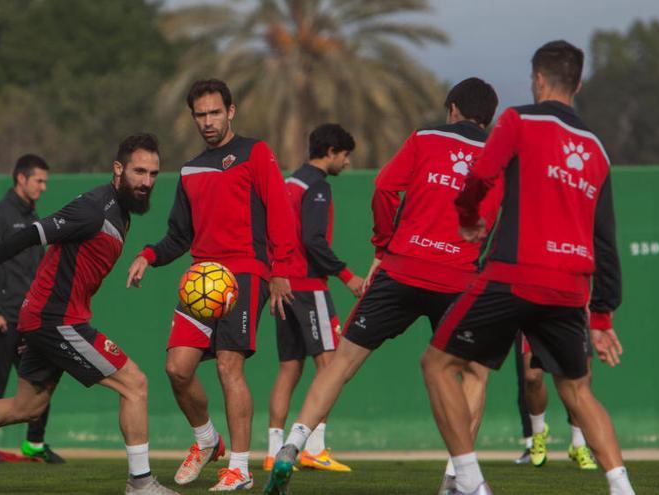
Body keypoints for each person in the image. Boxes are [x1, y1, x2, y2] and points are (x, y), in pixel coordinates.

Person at [265, 78, 501, 495]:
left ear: (452, 109)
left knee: (340, 363)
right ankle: (458, 476)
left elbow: (384, 188)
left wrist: (383, 243)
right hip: (458, 276)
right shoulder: (498, 157)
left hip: (402, 267)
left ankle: (292, 445)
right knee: (474, 374)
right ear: (489, 119)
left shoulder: (426, 137)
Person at [0, 134, 180, 495]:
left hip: (45, 317)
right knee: (136, 385)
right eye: (139, 172)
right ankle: (141, 483)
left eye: (153, 174)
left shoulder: (121, 212)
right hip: (57, 320)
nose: (146, 182)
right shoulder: (93, 208)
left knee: (27, 406)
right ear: (118, 169)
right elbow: (29, 235)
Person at [418, 40, 632, 495]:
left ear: (538, 79)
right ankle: (621, 486)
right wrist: (603, 315)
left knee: (437, 364)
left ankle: (469, 482)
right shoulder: (596, 149)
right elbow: (605, 241)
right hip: (571, 289)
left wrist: (470, 217)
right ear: (578, 83)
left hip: (514, 275)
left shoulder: (517, 120)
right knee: (577, 391)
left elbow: (479, 176)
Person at [127, 79, 296, 491]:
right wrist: (148, 255)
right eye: (200, 115)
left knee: (227, 365)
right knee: (176, 369)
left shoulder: (255, 152)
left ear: (231, 111)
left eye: (214, 112)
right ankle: (206, 440)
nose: (207, 121)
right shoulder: (189, 170)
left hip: (244, 273)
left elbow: (279, 209)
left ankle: (239, 468)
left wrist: (281, 269)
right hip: (201, 278)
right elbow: (178, 236)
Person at [264, 124, 364, 473]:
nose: (347, 163)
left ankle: (273, 450)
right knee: (332, 367)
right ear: (332, 151)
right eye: (345, 155)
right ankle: (313, 447)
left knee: (289, 367)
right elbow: (314, 240)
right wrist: (348, 277)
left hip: (283, 285)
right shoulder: (318, 186)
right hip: (308, 286)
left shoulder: (291, 181)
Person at [0, 154, 63, 464]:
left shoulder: (33, 220)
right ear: (21, 179)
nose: (43, 187)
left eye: (45, 181)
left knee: (41, 380)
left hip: (29, 320)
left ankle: (34, 444)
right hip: (1, 318)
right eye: (39, 180)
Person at [514, 331, 612, 470]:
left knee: (580, 377)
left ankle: (579, 444)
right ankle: (538, 432)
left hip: (571, 313)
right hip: (534, 313)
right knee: (532, 377)